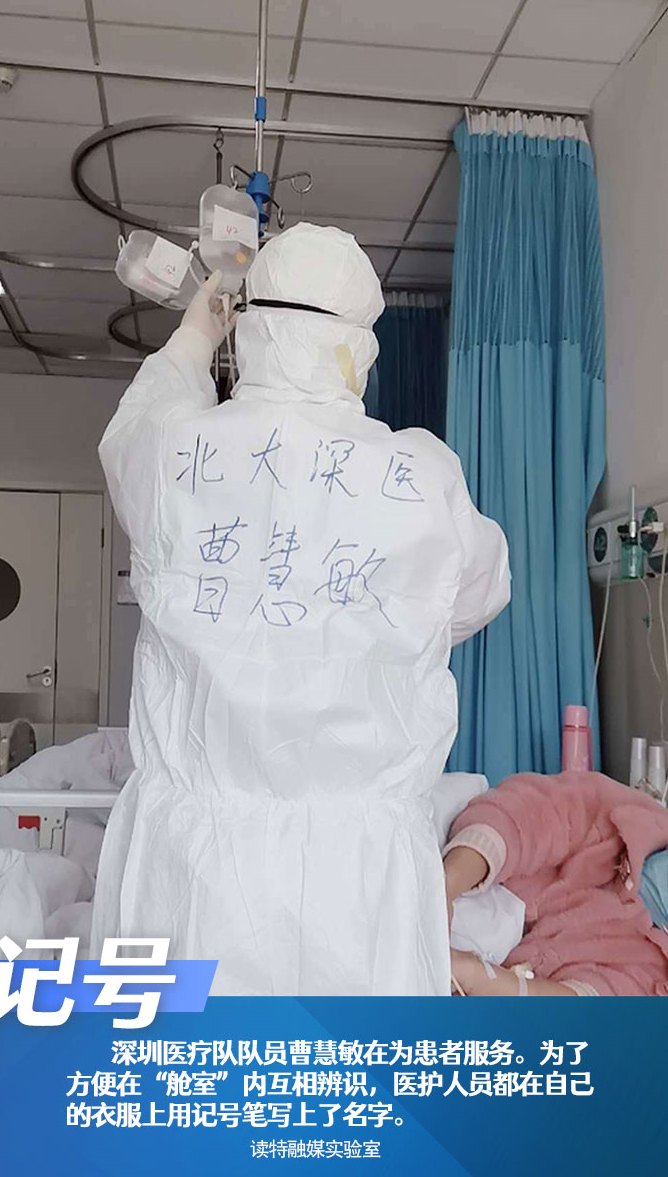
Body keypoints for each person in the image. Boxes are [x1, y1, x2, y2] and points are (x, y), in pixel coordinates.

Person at [92, 222, 511, 995]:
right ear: (359, 348)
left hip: (194, 870)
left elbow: (130, 433)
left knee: (190, 1065)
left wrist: (193, 336)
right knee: (345, 1070)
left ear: (251, 332)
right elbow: (480, 595)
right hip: (358, 881)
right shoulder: (422, 475)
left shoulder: (175, 454)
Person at [444, 770, 668, 996]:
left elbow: (580, 1008)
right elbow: (529, 811)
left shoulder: (651, 981)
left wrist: (476, 976)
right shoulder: (629, 815)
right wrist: (448, 884)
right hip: (455, 867)